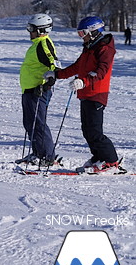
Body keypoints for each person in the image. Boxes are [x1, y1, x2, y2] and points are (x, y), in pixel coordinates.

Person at [44, 16, 122, 174]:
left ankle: (110, 161)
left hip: (97, 93)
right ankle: (98, 157)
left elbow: (101, 71)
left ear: (93, 32)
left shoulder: (105, 48)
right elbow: (77, 67)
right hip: (86, 93)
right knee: (86, 130)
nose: (82, 37)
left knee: (95, 131)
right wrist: (57, 74)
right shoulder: (90, 47)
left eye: (83, 33)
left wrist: (83, 81)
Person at [17, 14, 59, 167]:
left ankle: (47, 156)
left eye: (32, 29)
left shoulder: (43, 44)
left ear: (41, 30)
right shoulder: (37, 43)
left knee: (38, 123)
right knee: (30, 123)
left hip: (37, 91)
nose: (29, 32)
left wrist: (48, 83)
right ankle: (38, 153)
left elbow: (54, 64)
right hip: (29, 90)